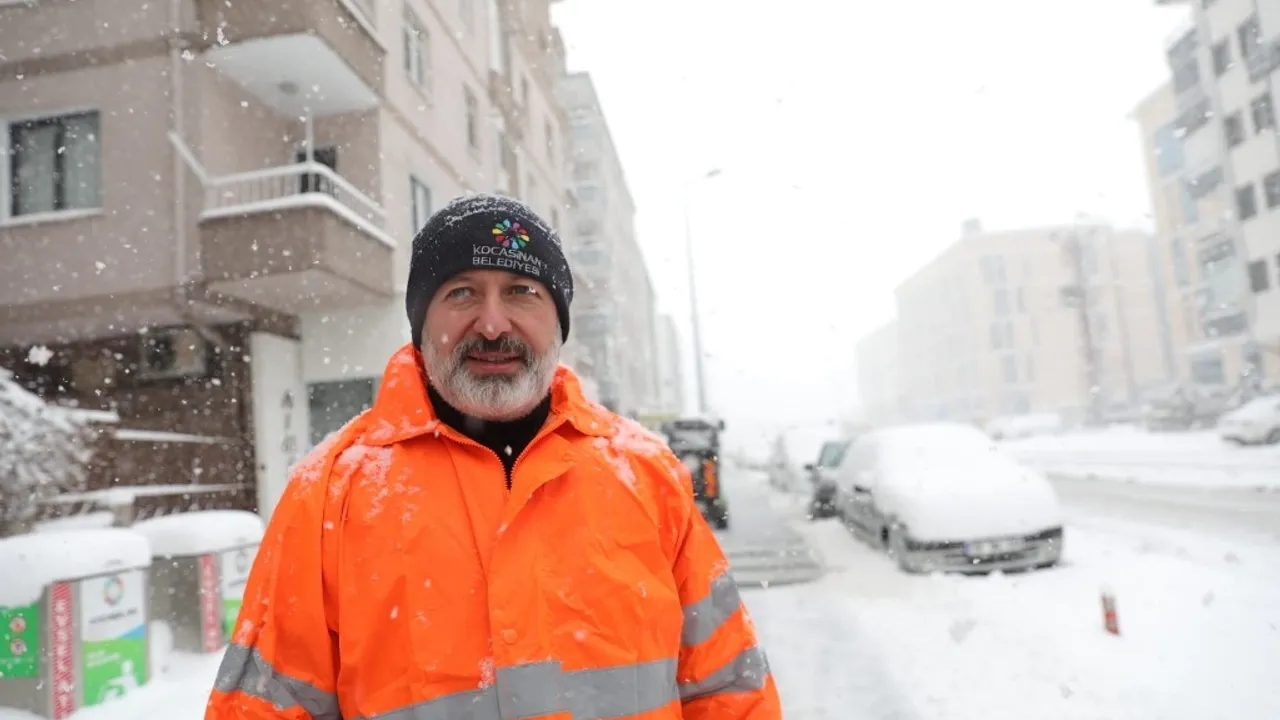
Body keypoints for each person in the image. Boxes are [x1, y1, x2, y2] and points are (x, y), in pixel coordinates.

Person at [205, 194, 782, 720]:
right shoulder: (331, 491)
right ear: (420, 324)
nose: (491, 323)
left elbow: (729, 690)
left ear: (558, 321)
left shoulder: (646, 474)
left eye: (521, 292)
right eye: (461, 292)